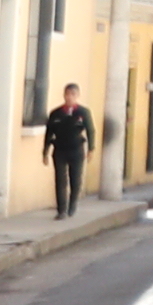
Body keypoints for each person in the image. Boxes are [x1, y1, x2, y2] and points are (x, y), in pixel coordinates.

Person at [40, 81, 98, 220]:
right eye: (67, 94)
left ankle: (72, 205)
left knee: (75, 180)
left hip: (76, 150)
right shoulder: (56, 113)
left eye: (73, 94)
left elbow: (90, 130)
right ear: (64, 95)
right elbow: (49, 133)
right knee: (60, 180)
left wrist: (91, 149)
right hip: (60, 149)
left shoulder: (83, 112)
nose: (70, 97)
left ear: (77, 95)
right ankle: (61, 210)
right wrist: (45, 152)